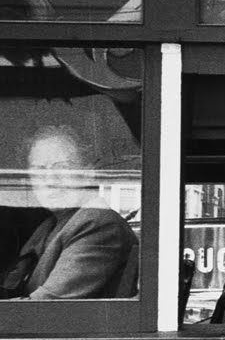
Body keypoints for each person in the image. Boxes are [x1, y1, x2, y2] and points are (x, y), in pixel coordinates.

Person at [1, 125, 138, 299]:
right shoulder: (48, 226)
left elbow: (45, 305)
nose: (50, 180)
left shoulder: (97, 222)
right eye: (39, 170)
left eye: (63, 167)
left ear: (88, 173)